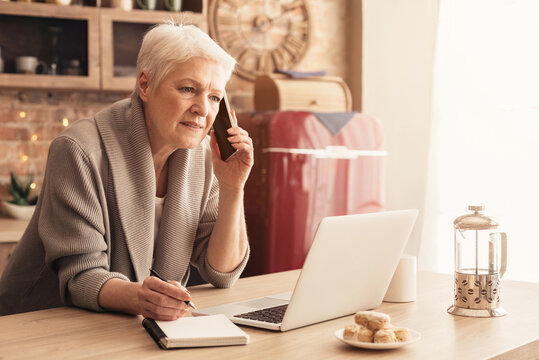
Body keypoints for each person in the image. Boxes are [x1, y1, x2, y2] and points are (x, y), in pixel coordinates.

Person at [0, 23, 253, 320]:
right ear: (145, 85)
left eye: (214, 97)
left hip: (131, 324)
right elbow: (81, 277)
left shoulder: (207, 157)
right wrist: (143, 298)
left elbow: (222, 272)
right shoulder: (78, 150)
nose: (202, 109)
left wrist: (233, 186)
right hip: (38, 324)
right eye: (188, 89)